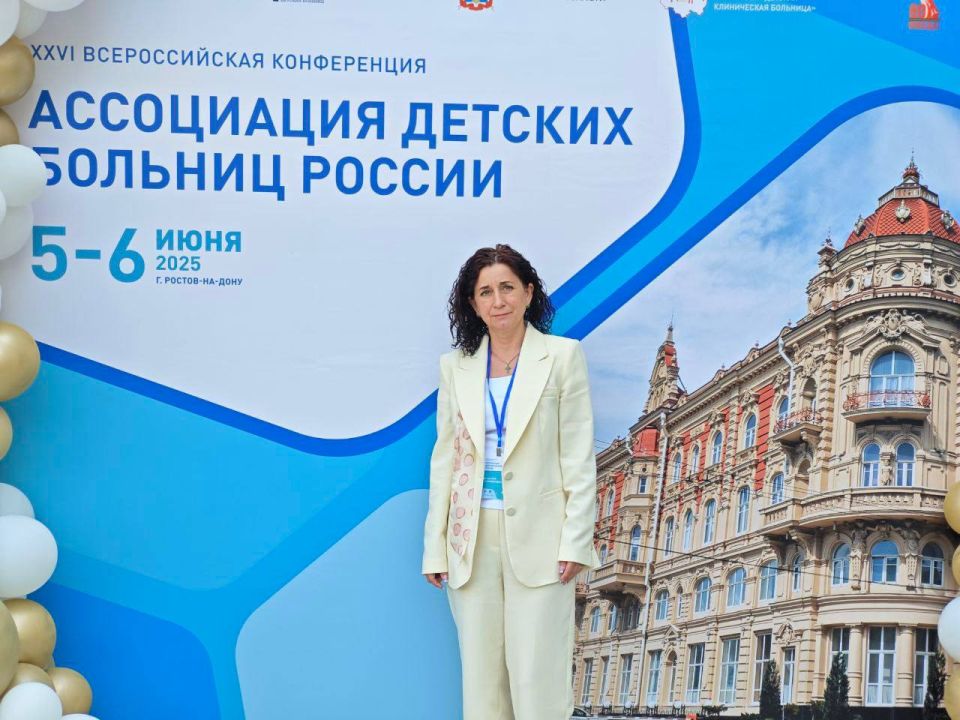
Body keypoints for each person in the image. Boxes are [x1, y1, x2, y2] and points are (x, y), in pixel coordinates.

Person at [422, 243, 600, 720]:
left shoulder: (562, 356)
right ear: (473, 303)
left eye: (506, 287)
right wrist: (435, 546)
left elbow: (578, 456)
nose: (497, 300)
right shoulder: (454, 367)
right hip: (470, 536)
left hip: (543, 538)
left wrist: (576, 541)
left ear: (528, 292)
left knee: (537, 681)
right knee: (482, 686)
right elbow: (445, 458)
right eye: (485, 292)